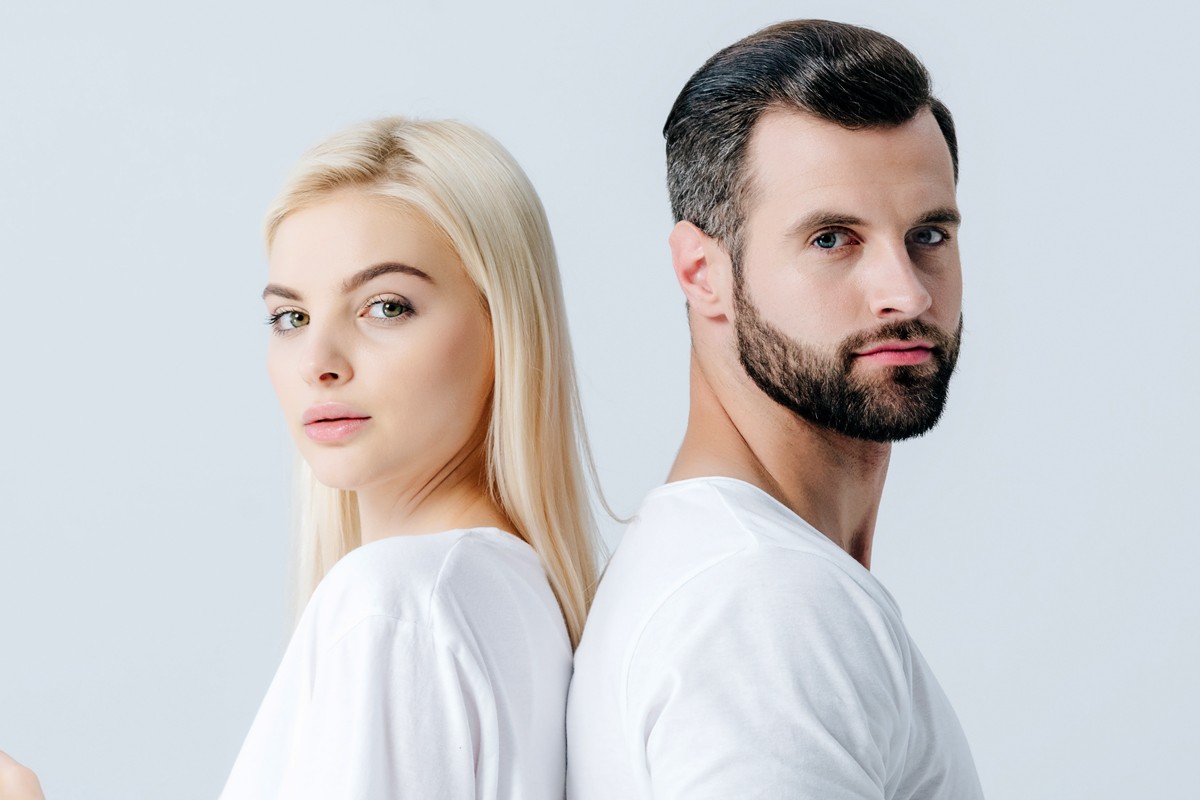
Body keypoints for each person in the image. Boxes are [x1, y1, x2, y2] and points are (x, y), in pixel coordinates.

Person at [1, 117, 598, 799]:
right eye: (291, 318)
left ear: (505, 327)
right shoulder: (511, 598)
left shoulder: (394, 602)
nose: (319, 362)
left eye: (386, 306)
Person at [566, 19, 983, 799]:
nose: (908, 292)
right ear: (702, 273)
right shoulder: (763, 607)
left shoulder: (731, 572)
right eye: (833, 239)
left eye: (928, 233)